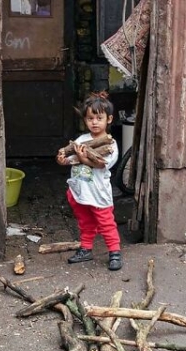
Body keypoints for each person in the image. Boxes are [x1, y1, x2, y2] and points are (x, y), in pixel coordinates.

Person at [56, 92, 123, 271]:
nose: (94, 122)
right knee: (85, 222)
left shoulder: (110, 144)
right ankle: (86, 249)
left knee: (106, 223)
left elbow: (100, 164)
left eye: (99, 118)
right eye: (90, 118)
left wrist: (82, 157)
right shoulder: (81, 140)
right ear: (85, 120)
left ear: (109, 119)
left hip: (98, 192)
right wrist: (62, 160)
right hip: (80, 191)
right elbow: (70, 159)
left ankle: (114, 252)